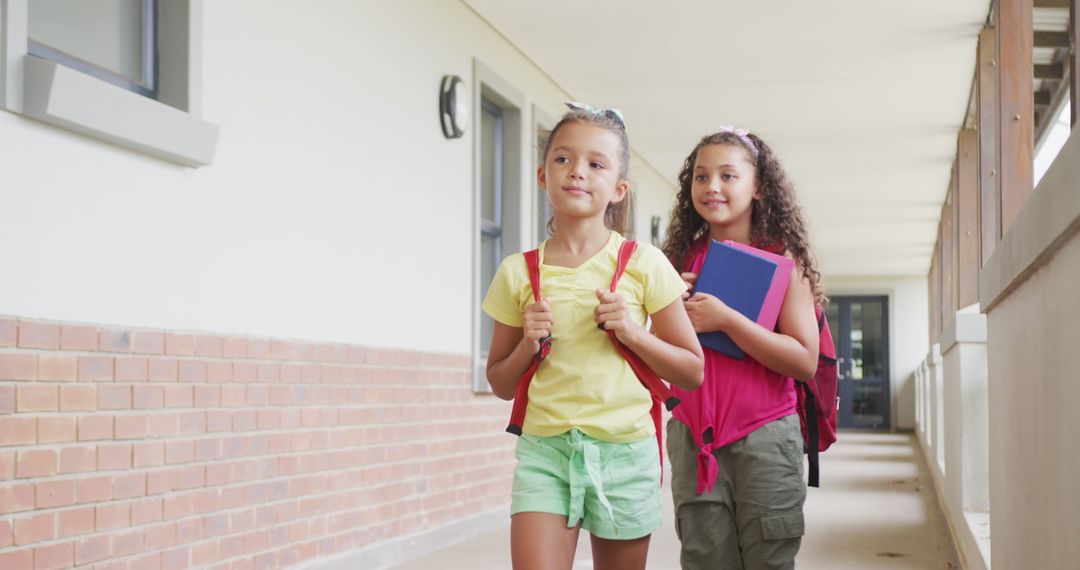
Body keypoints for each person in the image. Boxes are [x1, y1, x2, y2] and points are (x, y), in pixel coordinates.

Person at [483, 102, 704, 570]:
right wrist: (527, 343)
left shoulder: (644, 264)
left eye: (595, 164)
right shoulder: (517, 272)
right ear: (543, 175)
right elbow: (501, 384)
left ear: (619, 189)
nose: (576, 172)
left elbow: (691, 370)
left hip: (625, 452)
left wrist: (632, 333)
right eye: (562, 159)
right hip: (546, 451)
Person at [662, 128, 824, 569]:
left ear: (759, 188)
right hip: (693, 438)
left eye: (728, 175)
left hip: (765, 436)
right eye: (701, 176)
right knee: (703, 559)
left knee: (769, 560)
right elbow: (657, 355)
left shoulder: (783, 263)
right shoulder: (675, 264)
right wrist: (668, 308)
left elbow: (804, 361)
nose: (712, 187)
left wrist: (728, 320)